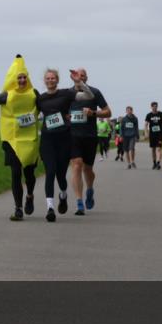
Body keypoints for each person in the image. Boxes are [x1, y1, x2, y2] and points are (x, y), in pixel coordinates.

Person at [0, 55, 39, 221]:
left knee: (29, 174)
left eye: (24, 77)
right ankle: (18, 208)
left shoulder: (34, 94)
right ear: (13, 79)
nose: (21, 80)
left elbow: (47, 107)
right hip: (11, 140)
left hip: (29, 140)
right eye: (18, 77)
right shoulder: (6, 95)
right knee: (15, 174)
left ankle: (30, 195)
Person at [67, 68, 111, 215]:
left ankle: (90, 189)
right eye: (77, 75)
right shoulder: (68, 94)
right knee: (77, 165)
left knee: (88, 169)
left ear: (86, 78)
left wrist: (93, 113)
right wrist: (66, 116)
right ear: (72, 77)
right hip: (73, 136)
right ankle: (79, 202)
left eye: (83, 75)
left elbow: (108, 112)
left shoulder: (95, 92)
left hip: (90, 136)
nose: (80, 77)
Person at [36, 68, 77, 222]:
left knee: (61, 176)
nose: (50, 80)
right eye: (48, 78)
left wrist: (78, 82)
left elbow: (86, 96)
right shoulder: (40, 99)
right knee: (50, 172)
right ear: (44, 80)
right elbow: (30, 111)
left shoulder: (66, 94)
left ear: (57, 80)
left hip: (64, 139)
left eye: (53, 78)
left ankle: (63, 195)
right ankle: (50, 208)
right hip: (47, 140)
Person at [145, 102, 162, 169]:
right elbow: (146, 125)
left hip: (160, 134)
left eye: (156, 106)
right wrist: (146, 133)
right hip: (152, 134)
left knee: (159, 148)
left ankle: (158, 162)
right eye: (153, 106)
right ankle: (154, 163)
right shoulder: (149, 115)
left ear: (157, 107)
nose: (155, 107)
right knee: (153, 149)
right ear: (151, 107)